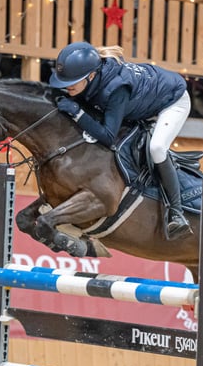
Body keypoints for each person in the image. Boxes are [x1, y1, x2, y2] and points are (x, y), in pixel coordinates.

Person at [49, 41, 192, 240]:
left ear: (91, 76)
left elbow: (108, 136)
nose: (67, 86)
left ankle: (176, 212)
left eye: (72, 81)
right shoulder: (92, 79)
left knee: (157, 148)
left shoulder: (116, 89)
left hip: (173, 100)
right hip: (143, 100)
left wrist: (77, 113)